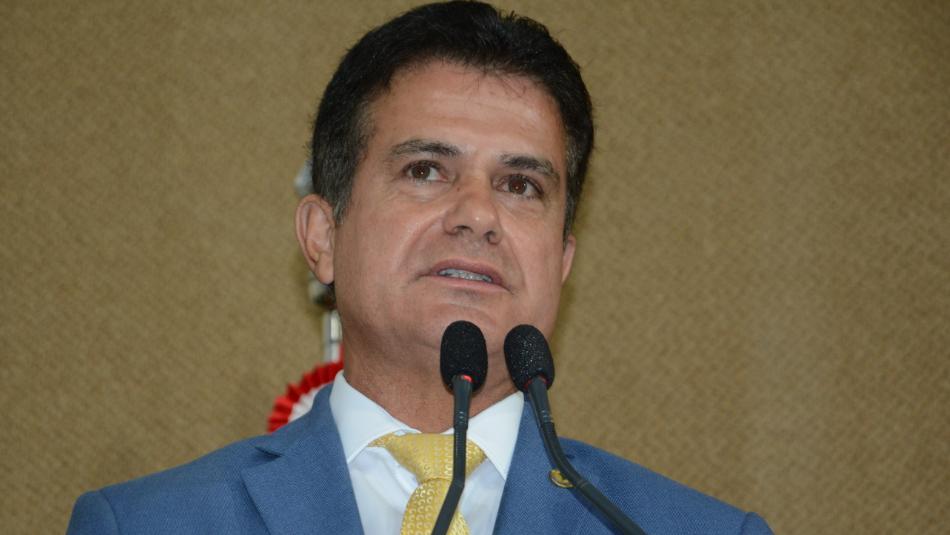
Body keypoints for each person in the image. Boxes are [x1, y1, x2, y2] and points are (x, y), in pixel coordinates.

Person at [67, 2, 773, 534]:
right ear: (322, 236)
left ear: (561, 262)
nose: (478, 214)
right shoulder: (143, 524)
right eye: (427, 170)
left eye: (521, 185)